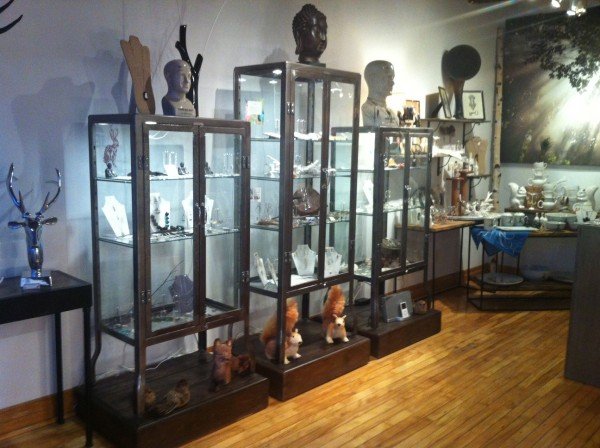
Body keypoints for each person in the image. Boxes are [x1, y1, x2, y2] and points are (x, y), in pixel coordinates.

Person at [361, 60, 400, 127]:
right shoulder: (367, 110)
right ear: (373, 80)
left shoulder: (392, 113)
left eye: (392, 78)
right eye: (388, 77)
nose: (392, 83)